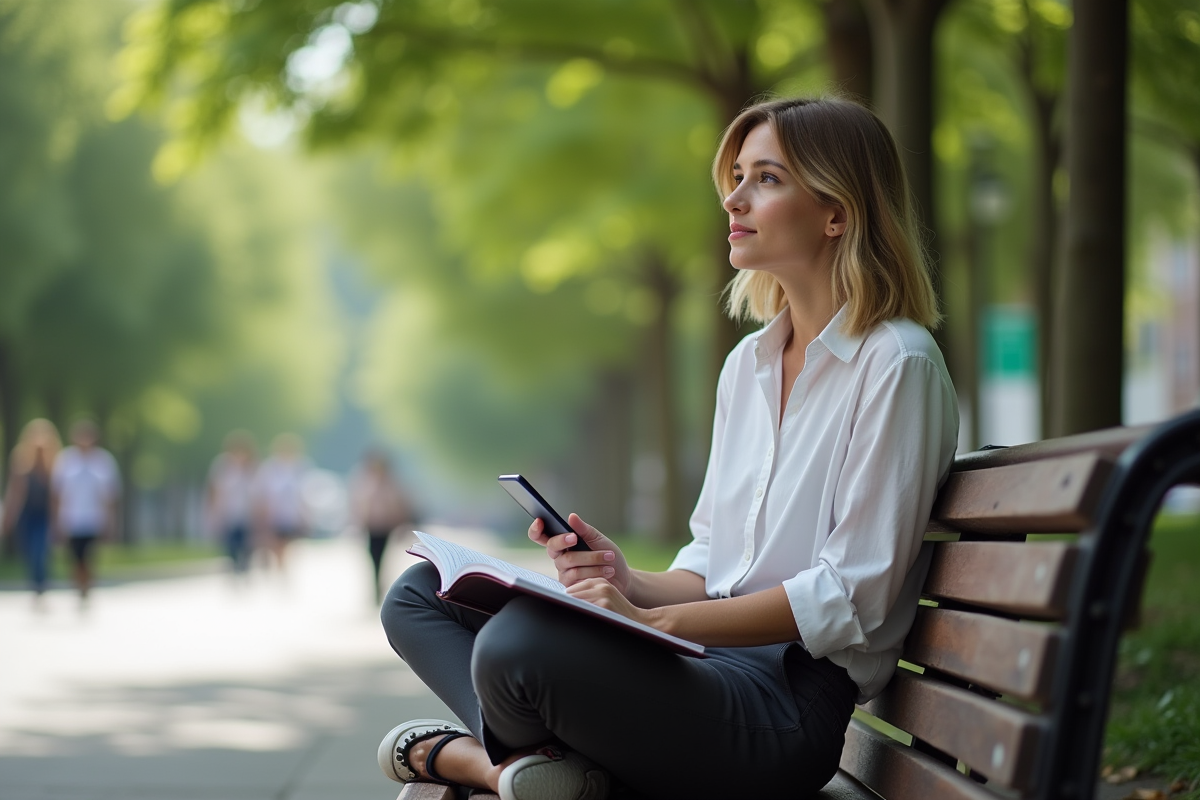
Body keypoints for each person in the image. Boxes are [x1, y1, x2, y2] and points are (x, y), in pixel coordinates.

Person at [375, 96, 959, 800]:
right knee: (419, 595)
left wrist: (656, 622)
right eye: (736, 177)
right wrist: (626, 581)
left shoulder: (897, 363)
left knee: (516, 650)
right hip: (706, 663)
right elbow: (717, 559)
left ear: (838, 212)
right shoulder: (748, 364)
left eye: (767, 179)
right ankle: (525, 772)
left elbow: (851, 597)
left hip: (786, 705)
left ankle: (473, 761)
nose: (734, 199)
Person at [52, 419, 122, 607]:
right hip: (71, 519)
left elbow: (109, 495)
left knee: (89, 557)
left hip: (94, 519)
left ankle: (87, 588)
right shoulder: (65, 460)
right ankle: (78, 587)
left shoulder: (103, 461)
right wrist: (57, 520)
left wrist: (110, 521)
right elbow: (57, 493)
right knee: (75, 557)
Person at [2, 419, 62, 607]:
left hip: (44, 515)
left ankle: (41, 586)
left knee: (41, 550)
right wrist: (7, 519)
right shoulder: (21, 463)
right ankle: (35, 585)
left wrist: (58, 521)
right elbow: (15, 494)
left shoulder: (55, 465)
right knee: (30, 552)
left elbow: (56, 497)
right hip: (27, 516)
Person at [348, 450, 415, 604]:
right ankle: (376, 586)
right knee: (373, 556)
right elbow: (358, 505)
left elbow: (400, 505)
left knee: (382, 557)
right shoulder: (365, 481)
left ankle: (379, 585)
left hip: (385, 527)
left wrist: (401, 523)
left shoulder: (391, 483)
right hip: (371, 526)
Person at [252, 433, 311, 571]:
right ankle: (280, 566)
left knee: (288, 544)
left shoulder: (300, 467)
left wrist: (306, 514)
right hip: (274, 514)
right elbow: (261, 492)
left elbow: (305, 492)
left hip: (292, 515)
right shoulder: (269, 468)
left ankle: (283, 565)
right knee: (278, 543)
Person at [205, 431, 258, 575]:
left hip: (247, 514)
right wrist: (214, 513)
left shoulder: (252, 468)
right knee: (231, 546)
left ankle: (244, 567)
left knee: (247, 545)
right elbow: (215, 490)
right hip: (228, 513)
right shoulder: (222, 465)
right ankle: (235, 568)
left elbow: (259, 493)